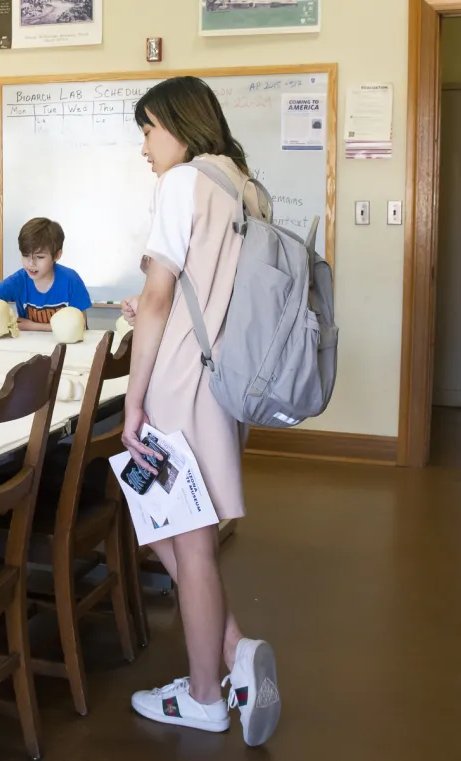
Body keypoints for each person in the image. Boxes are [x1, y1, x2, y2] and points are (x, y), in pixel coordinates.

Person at [120, 76, 279, 746]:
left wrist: (132, 399)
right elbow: (211, 295)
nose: (146, 148)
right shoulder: (245, 186)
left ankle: (205, 696)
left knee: (186, 541)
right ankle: (236, 652)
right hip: (221, 386)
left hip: (178, 386)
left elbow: (159, 297)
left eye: (149, 130)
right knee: (168, 527)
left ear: (180, 125)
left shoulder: (183, 182)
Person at [0, 217, 91, 334]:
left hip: (67, 348)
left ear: (57, 255)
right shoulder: (18, 281)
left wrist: (33, 326)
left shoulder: (71, 280)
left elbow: (80, 325)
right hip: (28, 347)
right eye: (25, 256)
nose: (31, 263)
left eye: (40, 257)